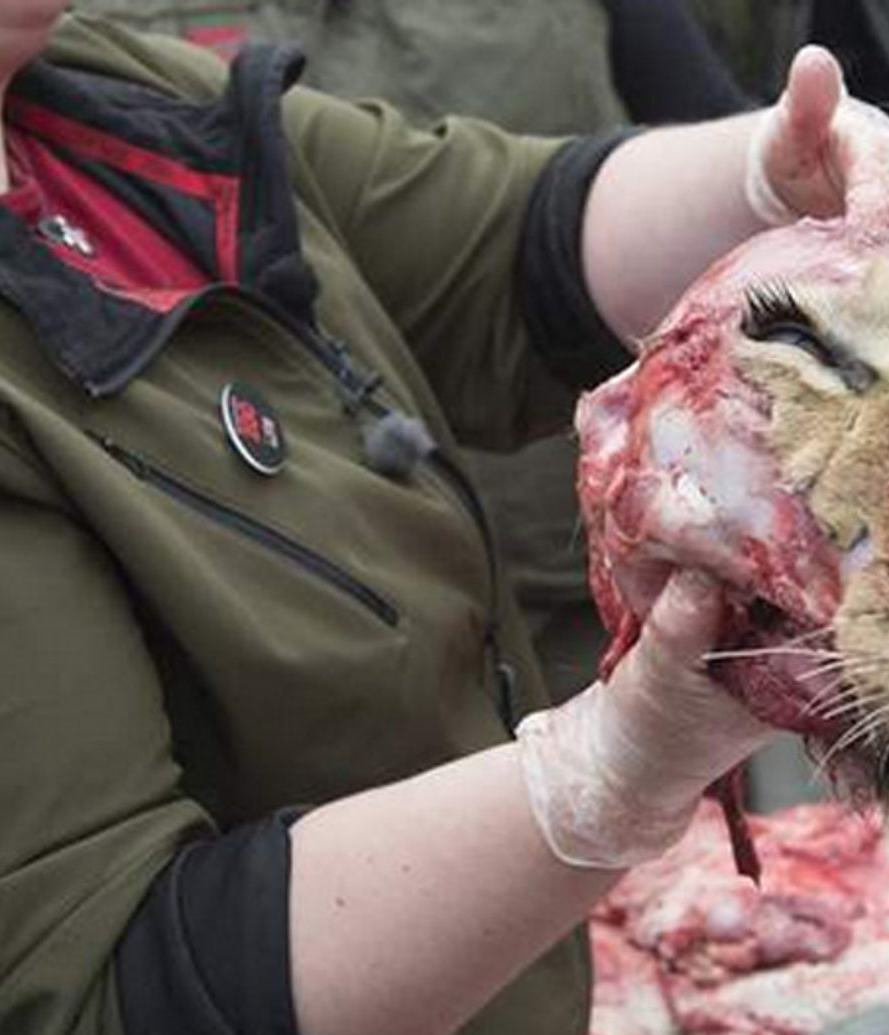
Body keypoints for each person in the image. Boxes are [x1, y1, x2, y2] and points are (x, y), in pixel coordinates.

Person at [0, 4, 889, 1035]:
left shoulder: (63, 90)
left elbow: (499, 243)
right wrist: (614, 770)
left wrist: (776, 180)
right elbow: (89, 1015)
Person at [74, 0, 754, 706]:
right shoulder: (76, 39)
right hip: (307, 628)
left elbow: (692, 120)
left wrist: (762, 169)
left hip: (595, 568)